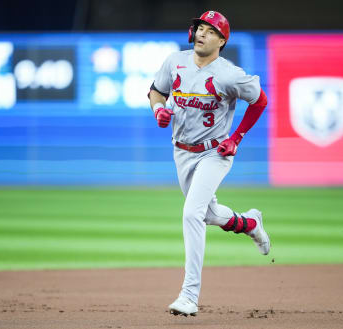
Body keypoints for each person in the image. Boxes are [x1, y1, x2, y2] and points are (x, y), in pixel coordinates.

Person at [148, 10, 270, 317]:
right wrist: (158, 110)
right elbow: (156, 92)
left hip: (215, 152)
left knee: (192, 213)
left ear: (221, 40)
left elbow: (260, 101)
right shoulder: (175, 61)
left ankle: (189, 296)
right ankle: (249, 223)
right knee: (209, 213)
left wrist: (237, 137)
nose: (202, 32)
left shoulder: (229, 74)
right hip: (181, 151)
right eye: (199, 27)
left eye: (210, 30)